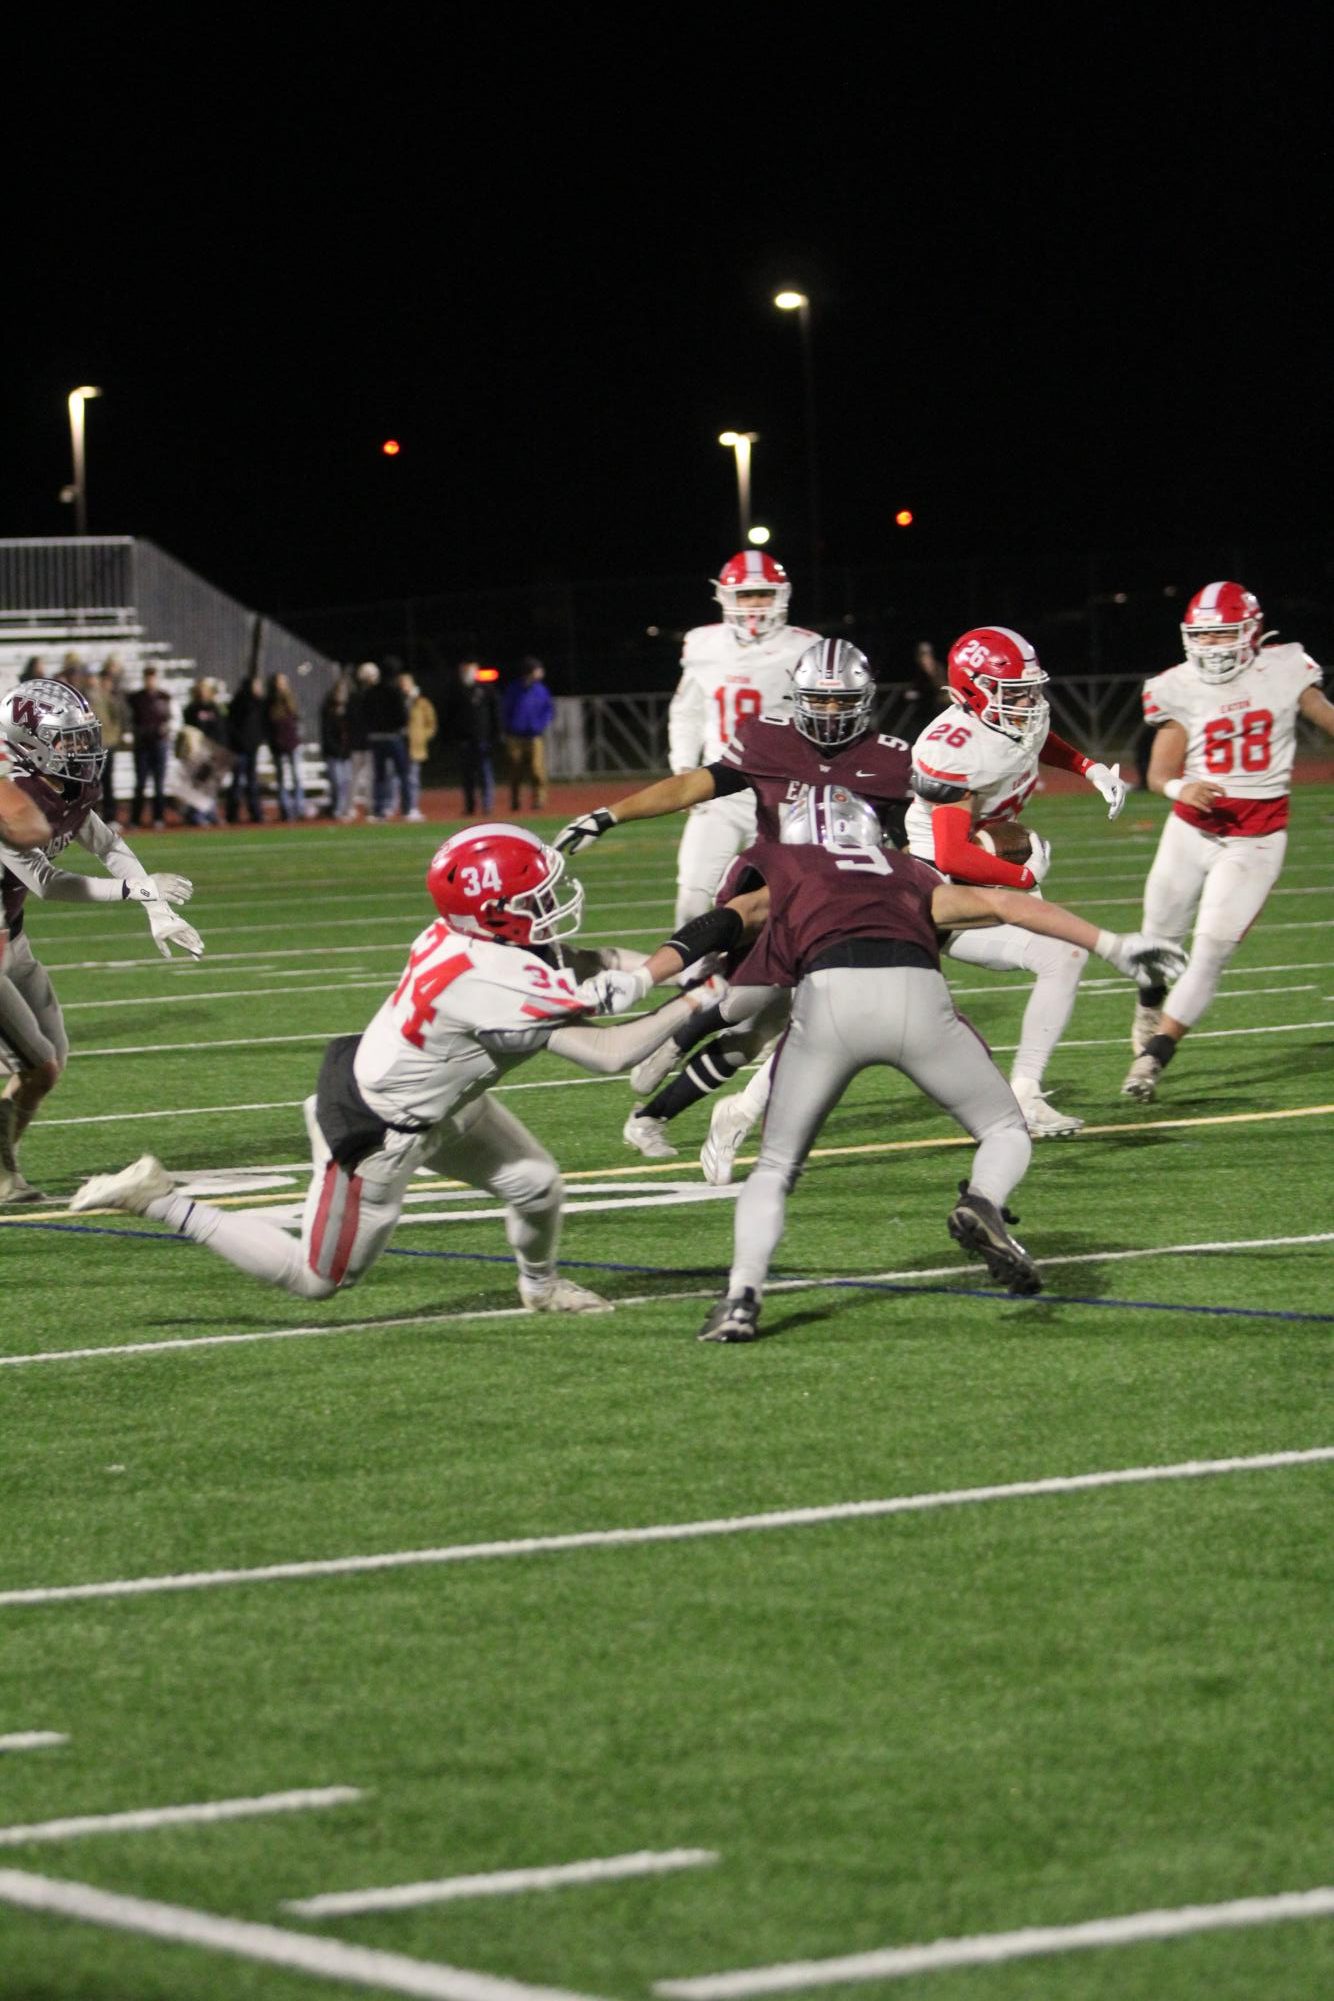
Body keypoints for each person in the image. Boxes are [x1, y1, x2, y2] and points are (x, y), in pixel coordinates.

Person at [583, 786, 1185, 1342]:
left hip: (830, 1003)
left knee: (775, 1169)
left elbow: (724, 921)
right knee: (1004, 1129)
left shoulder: (788, 865)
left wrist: (642, 976)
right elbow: (1004, 905)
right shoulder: (908, 869)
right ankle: (982, 1200)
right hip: (918, 998)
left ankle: (741, 1298)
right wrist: (1116, 945)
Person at [71, 825, 719, 1309]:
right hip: (381, 1131)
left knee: (537, 1184)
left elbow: (592, 959)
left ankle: (541, 1288)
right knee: (318, 1278)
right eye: (535, 895)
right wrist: (702, 997)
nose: (548, 903)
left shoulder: (468, 937)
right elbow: (611, 1053)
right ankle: (162, 1200)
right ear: (494, 909)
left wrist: (685, 965)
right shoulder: (491, 977)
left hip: (444, 1098)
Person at [554, 637, 916, 1159]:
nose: (832, 712)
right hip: (776, 880)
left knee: (757, 1028)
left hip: (843, 897)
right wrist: (609, 814)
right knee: (752, 993)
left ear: (865, 699)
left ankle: (653, 1109)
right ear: (798, 696)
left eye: (842, 700)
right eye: (820, 699)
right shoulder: (769, 739)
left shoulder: (892, 759)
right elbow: (690, 787)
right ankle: (671, 1026)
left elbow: (913, 836)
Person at [898, 625, 1127, 1138]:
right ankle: (748, 1105)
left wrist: (1089, 768)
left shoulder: (1016, 714)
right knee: (865, 1017)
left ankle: (1024, 1095)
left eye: (1030, 687)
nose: (1028, 699)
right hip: (940, 889)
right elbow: (956, 853)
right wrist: (1022, 875)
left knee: (1065, 957)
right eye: (1013, 690)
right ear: (972, 689)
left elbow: (1039, 741)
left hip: (986, 878)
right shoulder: (953, 747)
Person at [1122, 580, 1334, 1102]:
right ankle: (1151, 1000)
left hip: (1256, 839)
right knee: (1157, 943)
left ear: (1251, 633)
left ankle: (1154, 1058)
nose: (1214, 647)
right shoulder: (1177, 685)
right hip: (1191, 831)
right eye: (1206, 637)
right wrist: (1180, 786)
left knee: (1211, 949)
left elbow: (1327, 719)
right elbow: (1157, 774)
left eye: (1224, 635)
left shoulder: (1285, 669)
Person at [0, 681, 202, 1204]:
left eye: (83, 737)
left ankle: (3, 1167)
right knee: (34, 1062)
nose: (82, 749)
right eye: (68, 740)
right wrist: (139, 888)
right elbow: (47, 881)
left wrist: (156, 910)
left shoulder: (59, 786)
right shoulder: (10, 793)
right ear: (31, 741)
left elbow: (109, 844)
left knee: (48, 1066)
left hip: (11, 937)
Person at [663, 551, 817, 930]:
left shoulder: (806, 647)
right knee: (693, 897)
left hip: (784, 793)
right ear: (726, 598)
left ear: (781, 595)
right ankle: (697, 980)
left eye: (763, 593)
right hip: (720, 787)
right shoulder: (703, 644)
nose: (755, 603)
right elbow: (687, 711)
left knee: (793, 898)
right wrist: (684, 767)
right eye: (746, 595)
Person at [448, 660, 502, 815]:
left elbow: (494, 712)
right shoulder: (457, 690)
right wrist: (453, 736)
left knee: (485, 773)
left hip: (482, 738)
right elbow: (451, 715)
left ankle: (487, 806)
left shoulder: (485, 689)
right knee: (467, 776)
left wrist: (496, 734)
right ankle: (470, 806)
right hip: (464, 739)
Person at [503, 657, 555, 811]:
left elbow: (549, 710)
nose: (540, 672)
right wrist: (508, 727)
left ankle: (539, 799)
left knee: (537, 769)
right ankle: (515, 799)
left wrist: (540, 725)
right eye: (537, 669)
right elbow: (506, 710)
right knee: (515, 769)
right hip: (515, 736)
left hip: (534, 736)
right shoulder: (514, 689)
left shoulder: (541, 690)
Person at [127, 664, 173, 830]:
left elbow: (171, 719)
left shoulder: (164, 697)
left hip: (159, 744)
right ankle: (135, 819)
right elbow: (130, 719)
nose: (150, 681)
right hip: (142, 745)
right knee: (140, 783)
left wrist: (166, 730)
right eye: (148, 677)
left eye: (153, 677)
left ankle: (158, 817)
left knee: (159, 784)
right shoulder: (136, 698)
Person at [363, 662, 410, 821]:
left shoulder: (371, 692)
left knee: (380, 776)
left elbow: (365, 714)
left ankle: (379, 810)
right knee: (403, 773)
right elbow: (403, 716)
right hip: (393, 736)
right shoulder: (395, 692)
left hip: (376, 738)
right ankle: (407, 809)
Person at [86, 659, 130, 825]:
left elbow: (117, 718)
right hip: (92, 747)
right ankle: (92, 816)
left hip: (106, 744)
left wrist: (115, 737)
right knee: (92, 783)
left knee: (107, 781)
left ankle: (110, 816)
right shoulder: (86, 697)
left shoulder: (108, 698)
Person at [225, 670, 266, 823]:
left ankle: (255, 812)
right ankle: (232, 813)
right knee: (237, 781)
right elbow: (231, 726)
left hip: (252, 749)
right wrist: (240, 742)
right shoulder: (238, 703)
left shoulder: (259, 703)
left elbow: (262, 725)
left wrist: (258, 740)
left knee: (252, 782)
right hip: (239, 748)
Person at [265, 671, 306, 822]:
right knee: (281, 778)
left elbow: (297, 719)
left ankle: (299, 808)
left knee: (297, 776)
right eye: (279, 682)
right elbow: (267, 724)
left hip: (292, 743)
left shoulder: (290, 700)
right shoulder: (269, 702)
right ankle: (285, 809)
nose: (281, 685)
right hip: (277, 745)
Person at [399, 669, 437, 822]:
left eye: (405, 683)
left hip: (415, 746)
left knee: (413, 778)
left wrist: (422, 737)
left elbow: (431, 723)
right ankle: (400, 807)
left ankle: (413, 807)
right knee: (396, 778)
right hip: (400, 745)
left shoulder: (421, 702)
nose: (403, 686)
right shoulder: (398, 700)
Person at [320, 674, 355, 820]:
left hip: (345, 752)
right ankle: (337, 809)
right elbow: (326, 733)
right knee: (337, 782)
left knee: (346, 781)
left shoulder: (349, 709)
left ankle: (344, 808)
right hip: (333, 752)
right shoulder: (328, 709)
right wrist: (335, 749)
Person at [347, 663, 379, 819]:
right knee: (358, 777)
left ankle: (367, 808)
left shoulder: (359, 695)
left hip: (364, 741)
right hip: (362, 742)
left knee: (366, 777)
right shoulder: (359, 696)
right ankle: (354, 807)